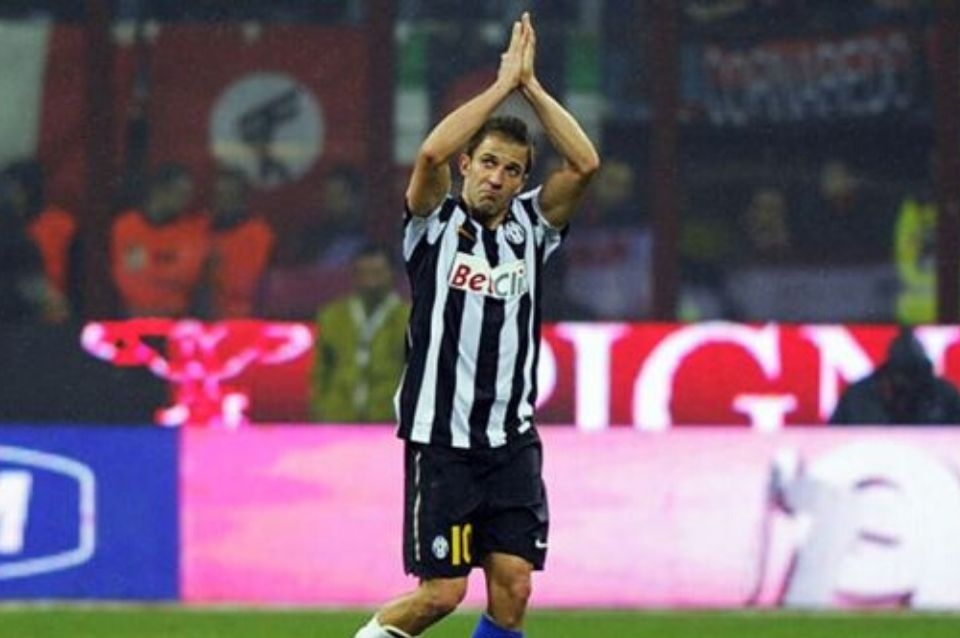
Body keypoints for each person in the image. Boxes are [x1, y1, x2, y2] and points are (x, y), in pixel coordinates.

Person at [354, 12, 600, 638]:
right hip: (443, 443)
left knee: (514, 587)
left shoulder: (531, 228)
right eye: (488, 162)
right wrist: (499, 88)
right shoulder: (432, 225)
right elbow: (430, 152)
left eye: (512, 170)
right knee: (440, 595)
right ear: (468, 164)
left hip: (510, 442)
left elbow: (585, 164)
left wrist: (532, 88)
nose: (497, 177)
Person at [309, 244, 409, 422]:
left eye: (377, 273)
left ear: (392, 274)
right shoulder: (332, 317)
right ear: (354, 276)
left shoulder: (410, 318)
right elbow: (321, 371)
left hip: (389, 418)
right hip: (338, 416)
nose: (371, 282)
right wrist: (321, 409)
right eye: (364, 274)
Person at [110, 163, 211, 317]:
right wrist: (165, 268)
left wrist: (153, 270)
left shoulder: (192, 231)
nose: (186, 202)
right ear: (159, 191)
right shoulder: (126, 226)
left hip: (175, 318)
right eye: (180, 194)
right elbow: (127, 276)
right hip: (134, 317)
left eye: (188, 195)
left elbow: (187, 275)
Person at [830, 327, 960, 425]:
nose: (909, 386)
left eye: (916, 376)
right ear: (888, 375)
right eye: (904, 377)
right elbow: (832, 439)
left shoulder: (945, 397)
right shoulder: (857, 398)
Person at [197, 165, 275, 318]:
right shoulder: (200, 229)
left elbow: (258, 283)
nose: (224, 201)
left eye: (231, 195)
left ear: (242, 198)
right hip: (203, 316)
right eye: (220, 195)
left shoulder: (259, 234)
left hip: (247, 317)